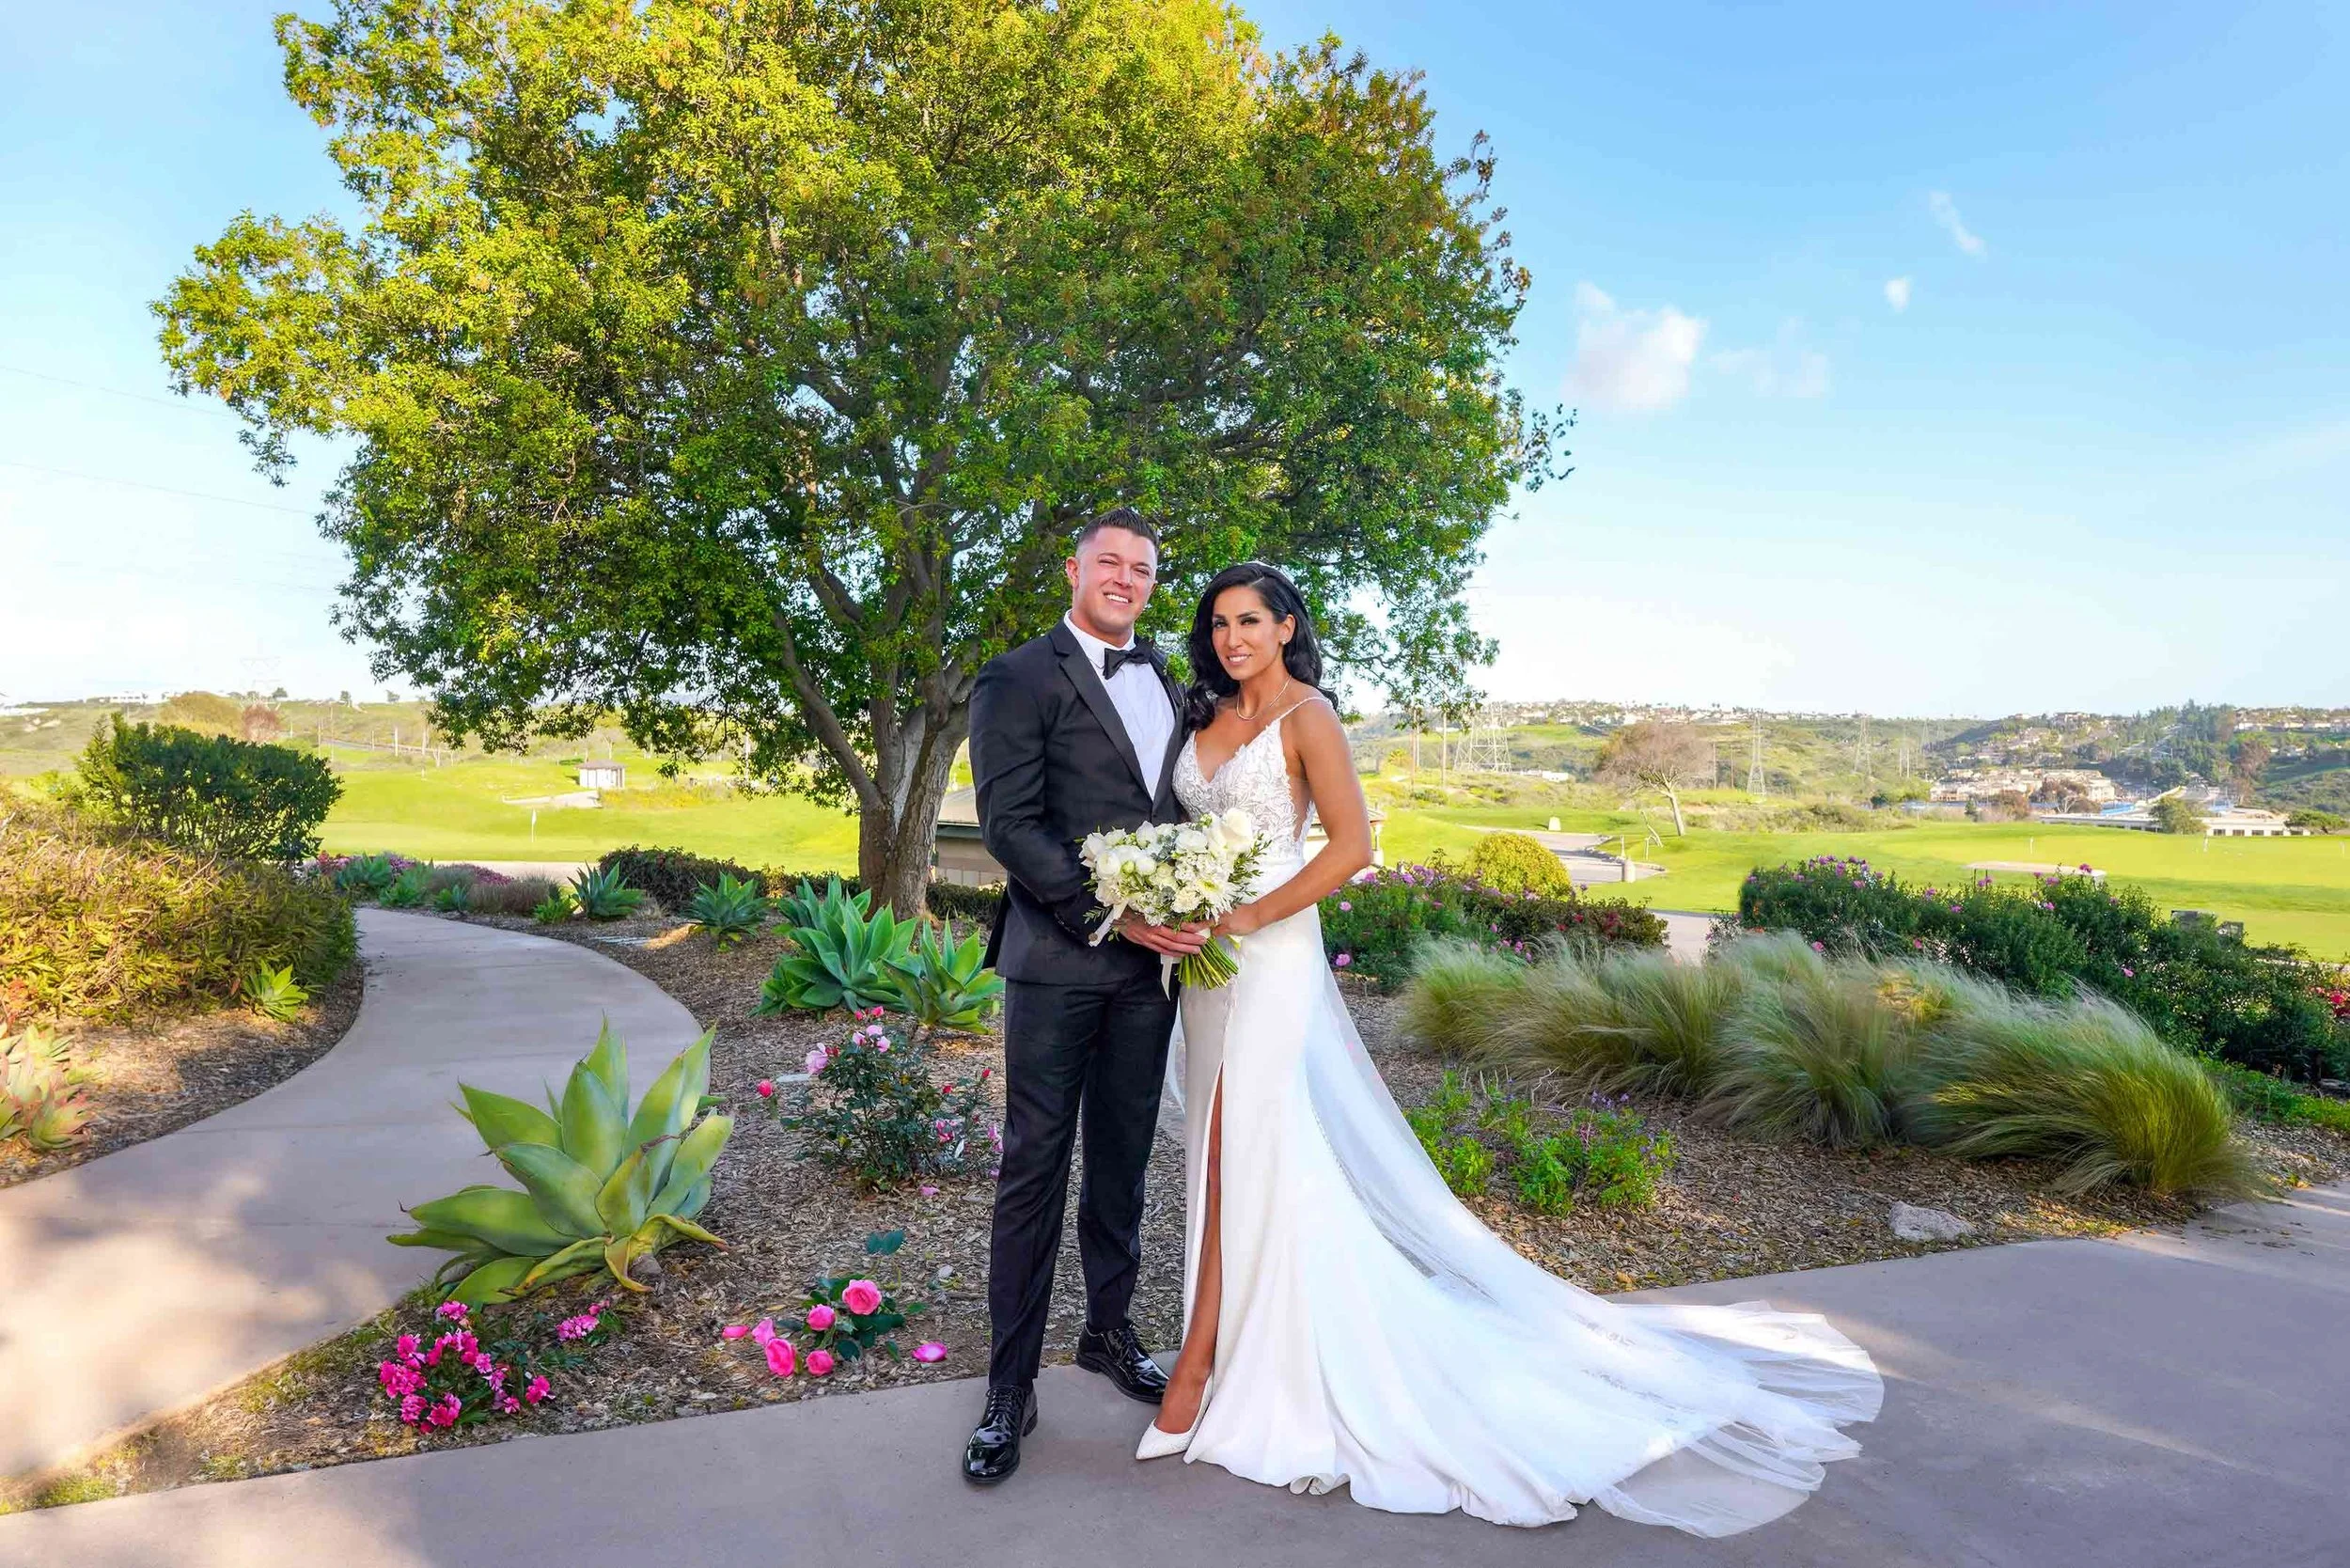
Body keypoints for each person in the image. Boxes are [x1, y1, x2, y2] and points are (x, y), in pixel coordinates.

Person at [1136, 560, 1884, 1536]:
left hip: (1268, 955)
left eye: (1249, 621)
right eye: (1218, 622)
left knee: (1248, 1139)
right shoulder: (1201, 718)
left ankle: (1202, 1363)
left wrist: (1245, 912)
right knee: (1219, 1148)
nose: (1231, 637)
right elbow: (1176, 827)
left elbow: (1351, 846)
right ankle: (1240, 1339)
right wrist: (1169, 894)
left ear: (1286, 628)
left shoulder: (1307, 719)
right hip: (1203, 965)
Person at [960, 507, 1207, 1485]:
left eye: (1142, 569)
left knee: (1123, 1161)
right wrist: (1117, 915)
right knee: (1033, 1170)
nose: (1126, 579)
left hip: (1150, 976)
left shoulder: (1172, 685)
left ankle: (1108, 1333)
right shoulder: (1016, 676)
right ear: (1073, 570)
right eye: (1109, 562)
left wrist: (1185, 906)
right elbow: (1009, 826)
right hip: (1060, 962)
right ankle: (1008, 1390)